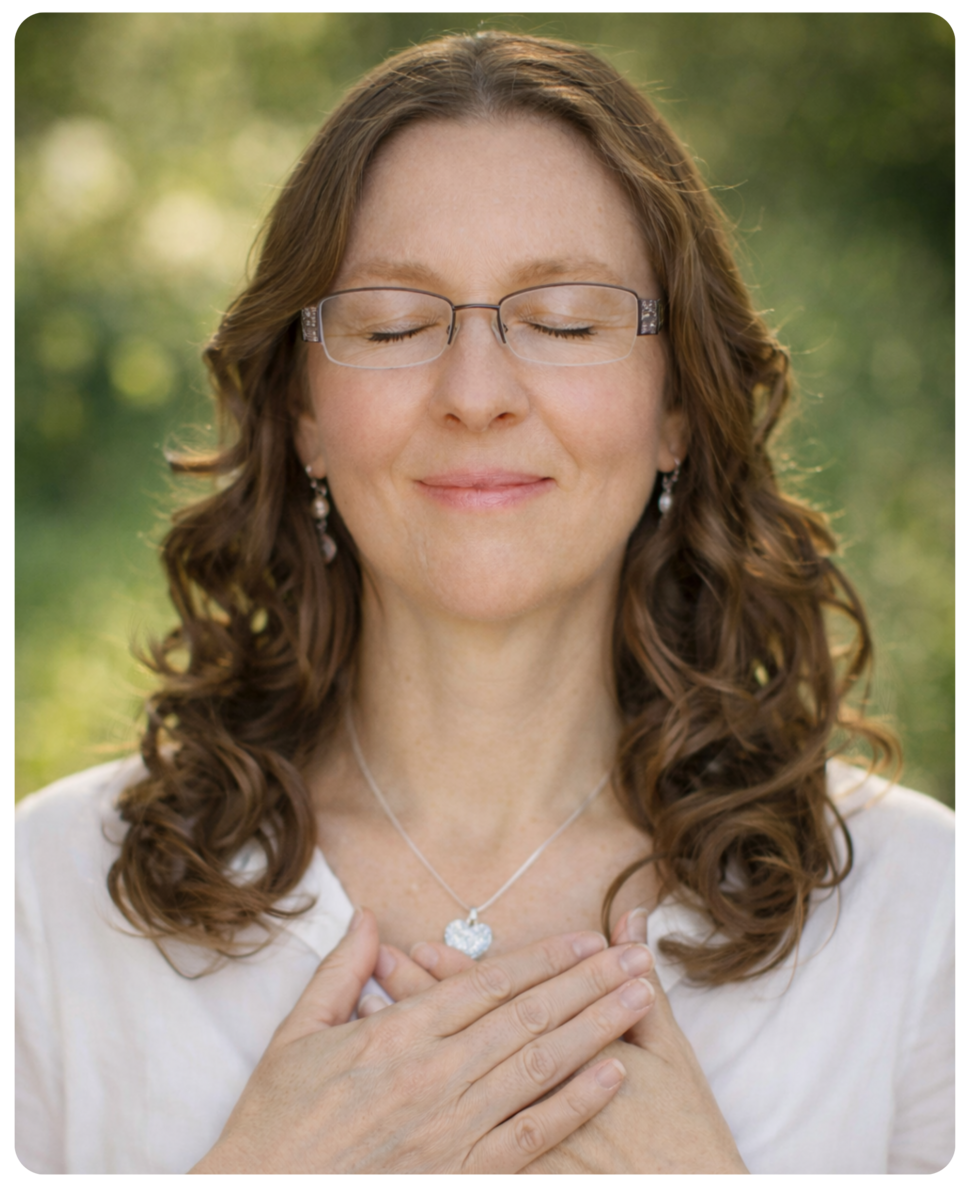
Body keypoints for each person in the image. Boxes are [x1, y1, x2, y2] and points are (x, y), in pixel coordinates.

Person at [14, 31, 954, 1177]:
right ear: (303, 410)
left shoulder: (918, 914)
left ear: (676, 408)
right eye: (394, 324)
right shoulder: (49, 895)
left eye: (562, 318)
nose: (474, 394)